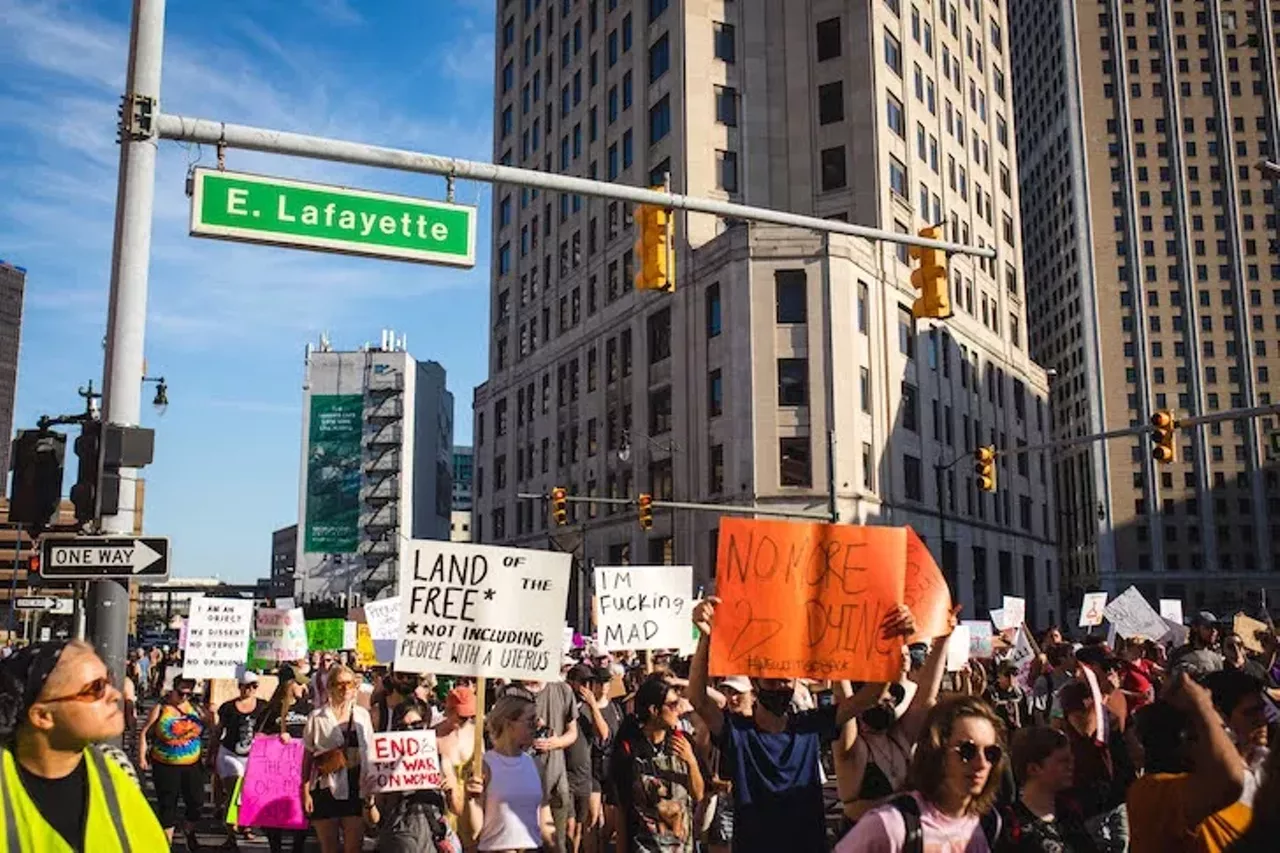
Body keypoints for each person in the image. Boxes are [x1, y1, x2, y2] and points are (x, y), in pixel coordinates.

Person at [689, 595, 926, 853]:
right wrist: (706, 638)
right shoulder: (738, 732)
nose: (780, 687)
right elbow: (698, 699)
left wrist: (894, 642)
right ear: (755, 684)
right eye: (771, 682)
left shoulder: (809, 725)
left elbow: (869, 697)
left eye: (786, 681)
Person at [0, 640, 168, 850]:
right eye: (96, 688)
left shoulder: (118, 770)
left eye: (110, 681)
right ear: (42, 716)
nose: (115, 695)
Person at [835, 694, 1009, 851]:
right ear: (937, 750)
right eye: (967, 751)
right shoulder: (891, 825)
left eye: (991, 753)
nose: (981, 763)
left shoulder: (989, 823)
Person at [1125, 673, 1247, 853]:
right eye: (1217, 732)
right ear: (1187, 740)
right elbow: (1231, 781)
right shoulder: (1150, 792)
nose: (1227, 741)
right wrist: (1201, 705)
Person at [610, 676, 705, 853]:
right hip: (644, 846)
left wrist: (691, 761)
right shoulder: (629, 749)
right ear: (654, 710)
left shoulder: (684, 743)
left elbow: (698, 794)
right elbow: (622, 809)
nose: (678, 710)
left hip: (682, 847)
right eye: (672, 705)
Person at [372, 700, 464, 853]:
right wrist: (371, 800)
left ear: (426, 725)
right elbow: (375, 818)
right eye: (402, 727)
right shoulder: (385, 765)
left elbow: (457, 809)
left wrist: (451, 791)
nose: (409, 731)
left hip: (431, 838)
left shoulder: (440, 760)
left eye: (416, 725)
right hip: (398, 840)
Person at [465, 693, 555, 851]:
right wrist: (471, 800)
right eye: (530, 721)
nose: (537, 725)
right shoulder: (484, 766)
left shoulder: (535, 764)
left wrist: (558, 848)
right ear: (509, 724)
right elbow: (475, 832)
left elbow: (545, 820)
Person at [303, 663, 374, 853]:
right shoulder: (317, 717)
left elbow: (370, 752)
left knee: (354, 847)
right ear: (330, 687)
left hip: (356, 787)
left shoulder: (362, 716)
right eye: (339, 684)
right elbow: (307, 756)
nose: (345, 689)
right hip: (326, 786)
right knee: (329, 847)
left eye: (349, 684)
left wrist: (372, 788)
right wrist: (305, 791)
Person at [138, 674, 212, 848]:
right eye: (181, 693)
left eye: (189, 694)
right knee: (167, 804)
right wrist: (141, 756)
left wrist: (211, 713)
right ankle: (166, 844)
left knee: (197, 802)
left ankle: (188, 829)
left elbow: (212, 727)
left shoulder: (196, 708)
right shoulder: (161, 707)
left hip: (192, 764)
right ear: (173, 689)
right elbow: (144, 732)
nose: (184, 697)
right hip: (165, 764)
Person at [997, 726, 1097, 852]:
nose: (1071, 766)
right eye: (1063, 761)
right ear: (1034, 769)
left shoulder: (1070, 813)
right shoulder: (1011, 824)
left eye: (1071, 759)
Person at [258, 664, 312, 853]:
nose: (303, 688)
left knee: (301, 810)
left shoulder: (308, 708)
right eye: (299, 684)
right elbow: (257, 740)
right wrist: (276, 739)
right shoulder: (270, 710)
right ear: (289, 685)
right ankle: (276, 848)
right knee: (275, 813)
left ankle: (298, 847)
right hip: (277, 771)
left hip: (301, 768)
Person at [214, 670, 267, 848]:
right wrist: (211, 754)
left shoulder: (263, 706)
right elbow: (218, 731)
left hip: (253, 756)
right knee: (235, 788)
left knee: (250, 793)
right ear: (240, 687)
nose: (250, 690)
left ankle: (246, 825)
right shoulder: (228, 707)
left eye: (254, 686)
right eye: (247, 686)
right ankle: (231, 831)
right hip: (230, 753)